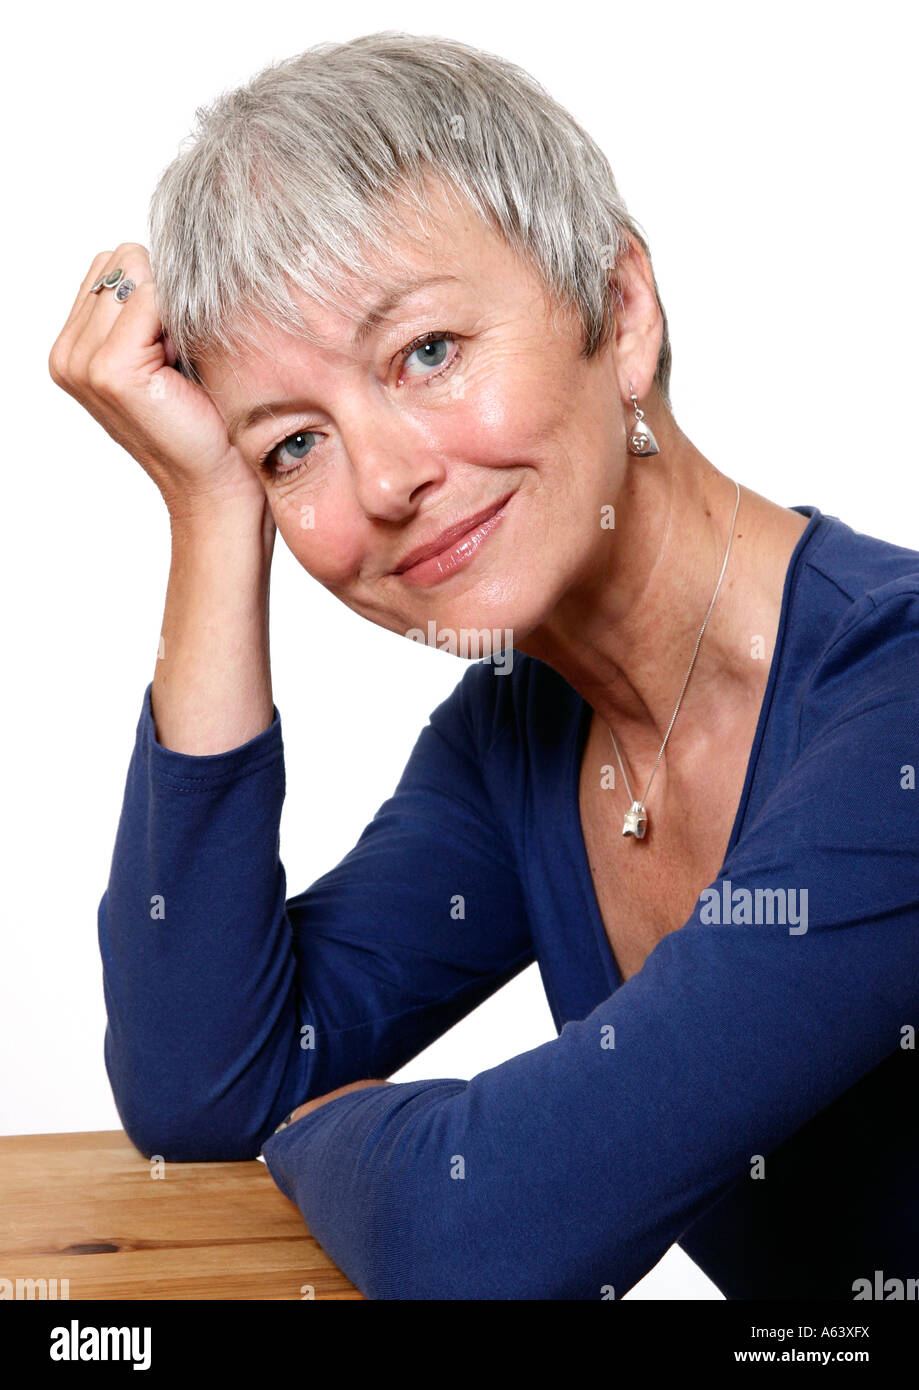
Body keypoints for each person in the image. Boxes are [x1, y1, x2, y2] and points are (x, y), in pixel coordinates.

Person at [48, 32, 919, 1300]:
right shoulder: (523, 736)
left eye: (428, 353)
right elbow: (204, 1079)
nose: (386, 481)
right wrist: (208, 512)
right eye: (292, 448)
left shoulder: (894, 701)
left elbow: (478, 1240)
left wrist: (324, 1130)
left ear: (617, 312)